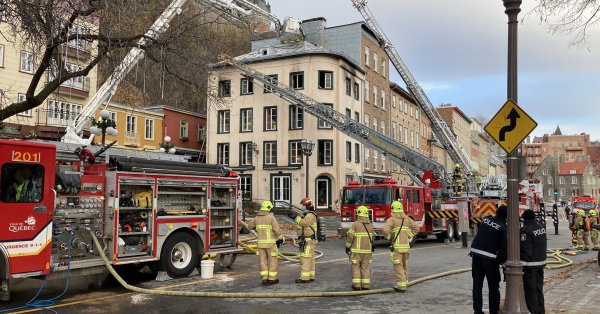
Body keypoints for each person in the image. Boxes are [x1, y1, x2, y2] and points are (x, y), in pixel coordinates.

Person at [470, 205, 507, 314]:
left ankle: (477, 311)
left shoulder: (486, 220)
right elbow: (503, 249)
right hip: (489, 259)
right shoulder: (502, 228)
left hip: (476, 255)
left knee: (477, 285)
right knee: (494, 286)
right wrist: (503, 264)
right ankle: (494, 310)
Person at [383, 201, 418, 292]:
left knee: (398, 266)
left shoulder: (391, 220)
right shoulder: (407, 219)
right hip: (406, 248)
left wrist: (389, 237)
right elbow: (416, 228)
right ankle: (405, 282)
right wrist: (409, 235)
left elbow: (385, 230)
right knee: (404, 265)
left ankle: (401, 286)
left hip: (397, 248)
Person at [246, 200, 284, 285]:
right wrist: (281, 238)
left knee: (262, 261)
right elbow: (276, 230)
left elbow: (249, 226)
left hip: (260, 244)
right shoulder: (271, 217)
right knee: (272, 260)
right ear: (269, 208)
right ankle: (272, 278)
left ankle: (264, 278)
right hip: (270, 244)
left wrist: (257, 229)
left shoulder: (256, 218)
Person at [520, 209, 547, 314]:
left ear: (525, 219)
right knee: (539, 289)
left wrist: (521, 265)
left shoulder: (526, 231)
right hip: (541, 263)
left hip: (530, 266)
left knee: (531, 291)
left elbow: (525, 249)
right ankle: (541, 311)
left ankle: (534, 311)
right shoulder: (541, 228)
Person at [345, 205, 374, 290]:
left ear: (358, 214)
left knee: (356, 266)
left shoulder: (355, 225)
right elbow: (372, 238)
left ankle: (356, 285)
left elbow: (350, 237)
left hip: (356, 251)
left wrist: (347, 246)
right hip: (367, 251)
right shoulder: (371, 226)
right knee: (365, 267)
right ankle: (366, 285)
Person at [293, 197, 318, 283]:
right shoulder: (306, 214)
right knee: (310, 259)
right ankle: (310, 276)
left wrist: (295, 218)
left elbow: (305, 223)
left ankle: (304, 278)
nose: (301, 206)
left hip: (308, 241)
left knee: (305, 259)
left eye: (302, 205)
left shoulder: (310, 215)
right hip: (307, 240)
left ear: (306, 205)